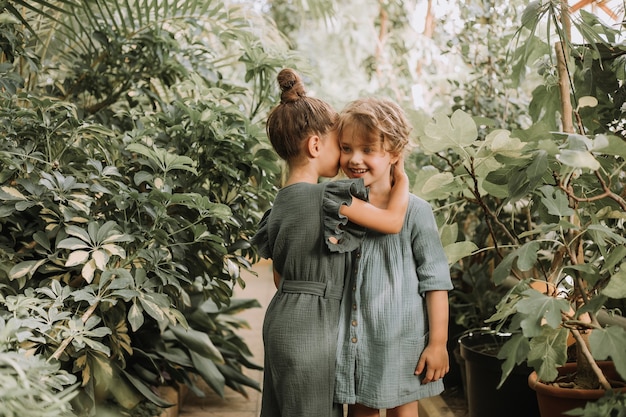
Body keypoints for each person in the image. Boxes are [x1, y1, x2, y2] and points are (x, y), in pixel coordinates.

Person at [252, 69, 410, 417]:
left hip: (280, 320)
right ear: (315, 145)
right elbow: (393, 222)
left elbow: (280, 277)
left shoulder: (279, 203)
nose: (343, 156)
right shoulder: (329, 197)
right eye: (339, 145)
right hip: (315, 326)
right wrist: (402, 183)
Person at [334, 97, 453, 417]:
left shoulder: (417, 212)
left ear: (394, 154)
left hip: (404, 342)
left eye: (367, 150)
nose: (354, 159)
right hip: (356, 340)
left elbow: (436, 280)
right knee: (362, 410)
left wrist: (438, 343)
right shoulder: (341, 206)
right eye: (346, 148)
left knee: (404, 409)